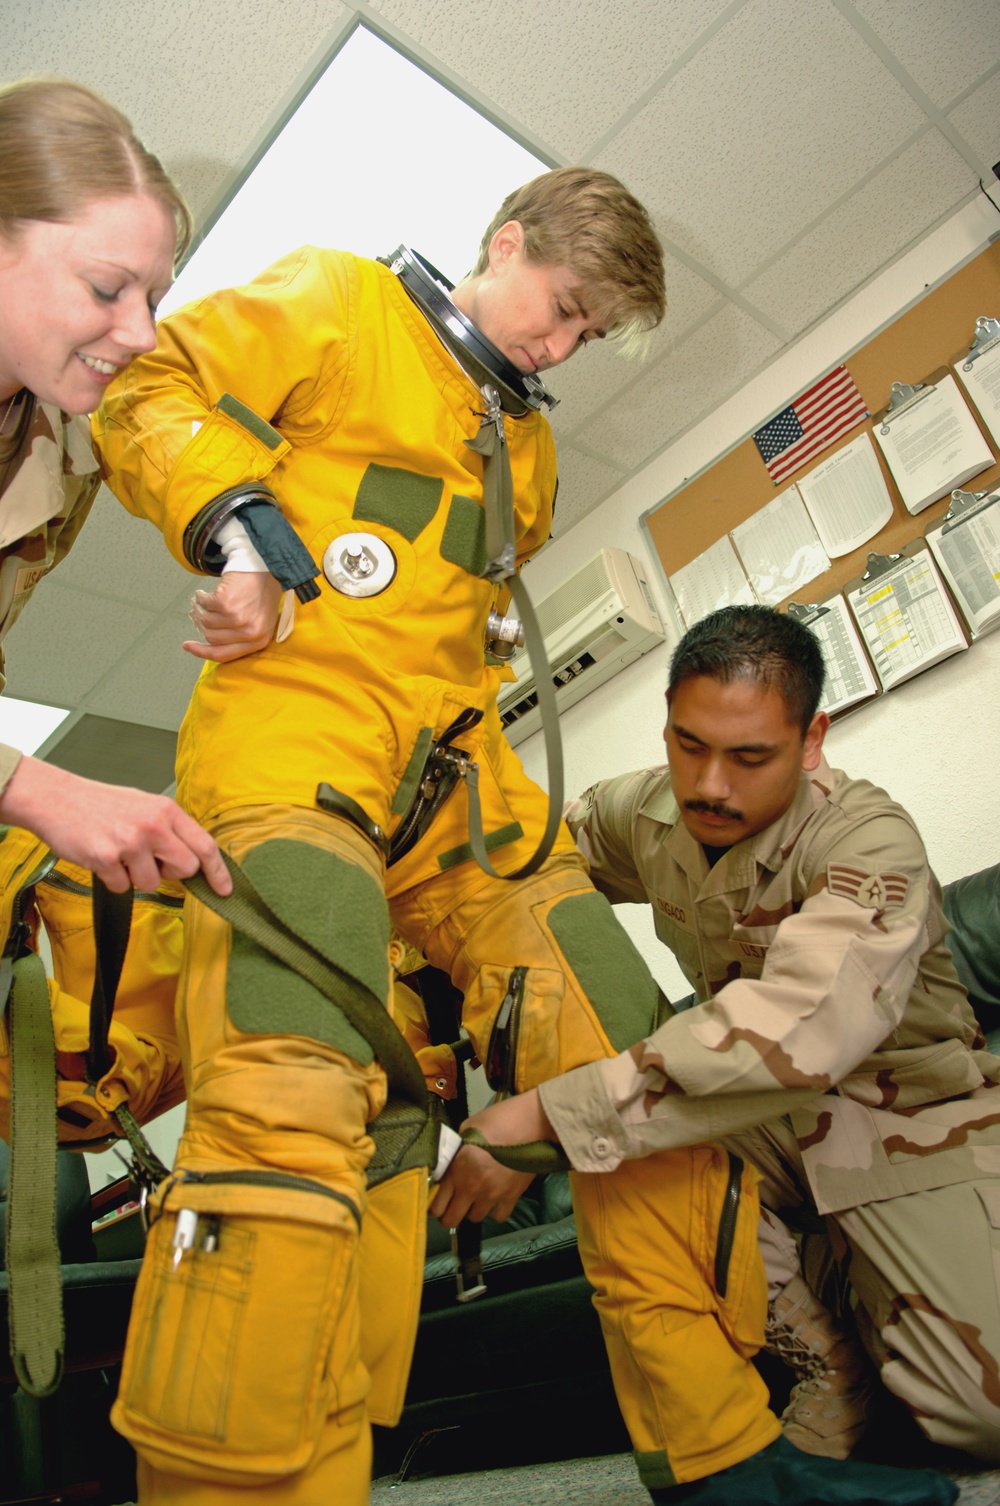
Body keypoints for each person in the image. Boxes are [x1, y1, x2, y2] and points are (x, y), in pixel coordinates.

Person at [94, 175, 954, 1506]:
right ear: (506, 244)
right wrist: (236, 526)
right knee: (301, 1070)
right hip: (296, 733)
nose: (560, 349)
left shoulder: (526, 451)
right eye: (561, 310)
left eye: (586, 333)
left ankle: (723, 1449)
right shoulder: (340, 298)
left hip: (456, 778)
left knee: (612, 1030)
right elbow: (147, 386)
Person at [471, 603, 1000, 1475]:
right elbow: (527, 867)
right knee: (627, 1164)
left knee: (976, 1419)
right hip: (762, 1122)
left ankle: (868, 1268)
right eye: (689, 744)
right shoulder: (646, 812)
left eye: (750, 757)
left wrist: (545, 1116)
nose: (710, 785)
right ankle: (829, 1362)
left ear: (812, 738)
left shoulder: (869, 839)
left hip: (902, 1112)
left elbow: (805, 1029)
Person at [0, 77, 231, 899]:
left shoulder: (58, 454)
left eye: (154, 298)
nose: (141, 333)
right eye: (107, 289)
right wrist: (35, 789)